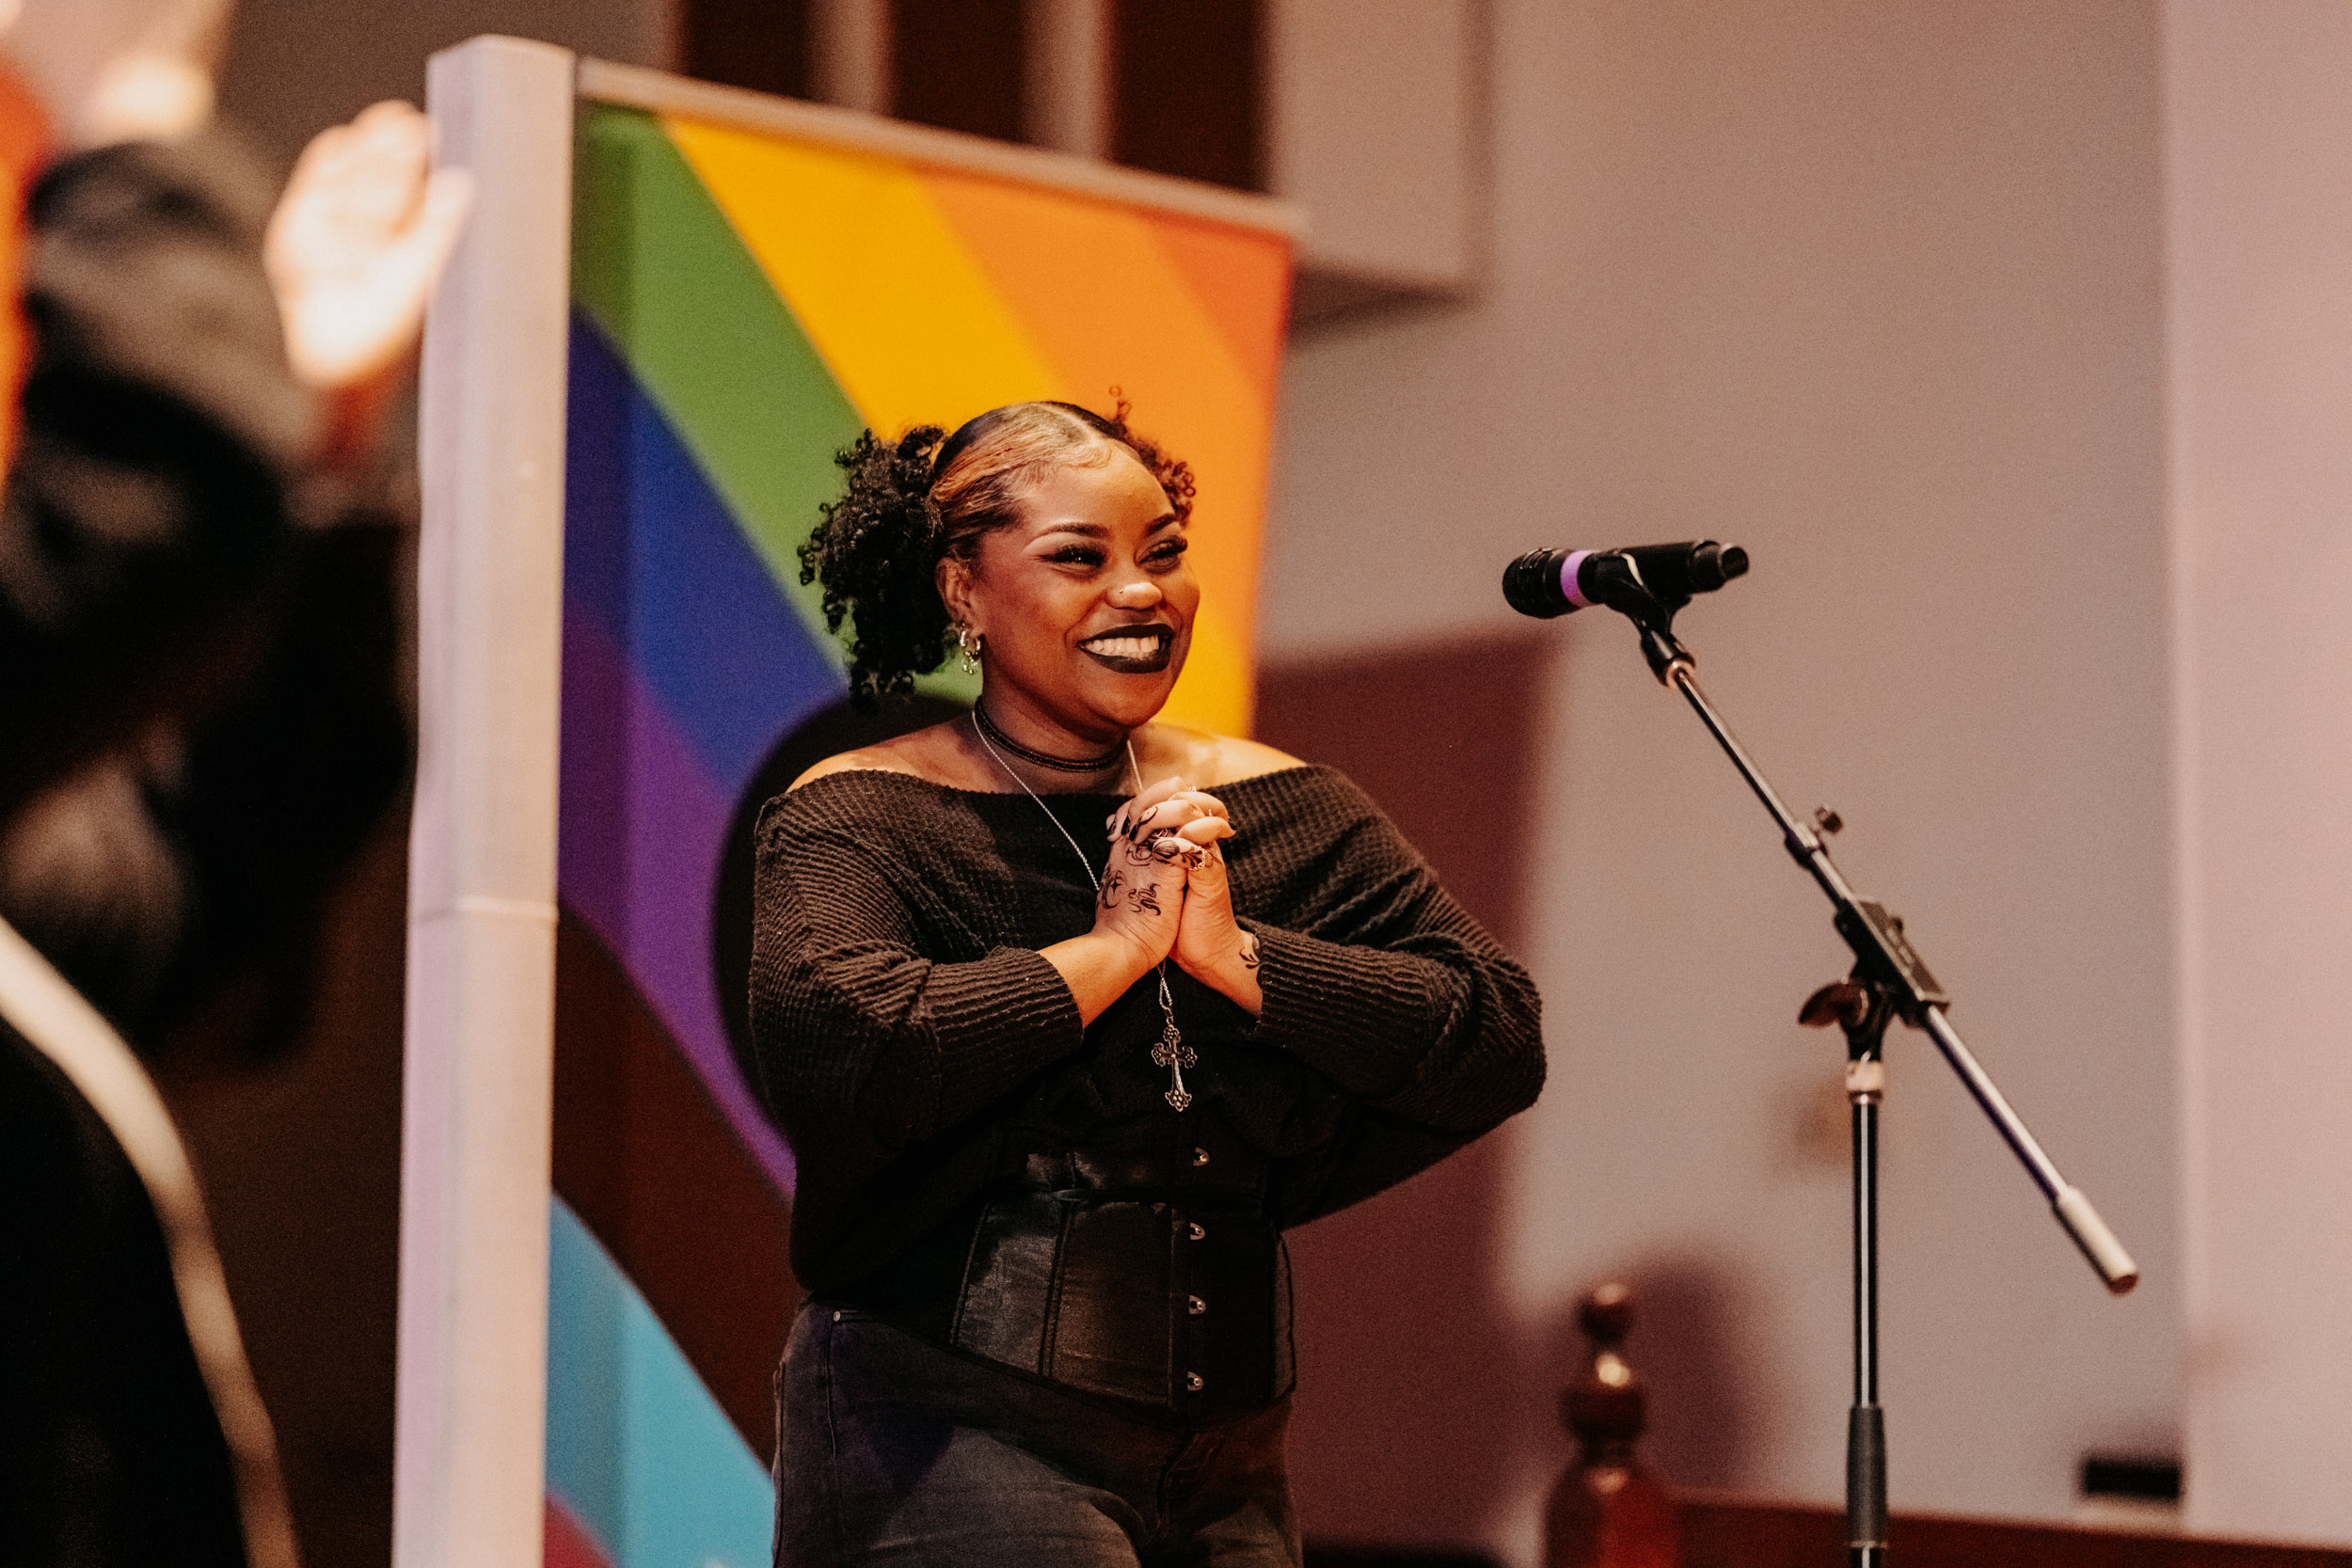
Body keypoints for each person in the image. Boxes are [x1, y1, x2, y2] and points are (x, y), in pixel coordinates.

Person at [752, 400, 1547, 1566]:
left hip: (1232, 1448)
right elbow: (852, 1048)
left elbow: (1496, 1033)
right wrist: (1115, 946)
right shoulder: (860, 812)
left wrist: (1243, 960)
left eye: (1162, 552)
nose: (1140, 591)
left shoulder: (1283, 806)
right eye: (1080, 556)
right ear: (962, 591)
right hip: (947, 1420)